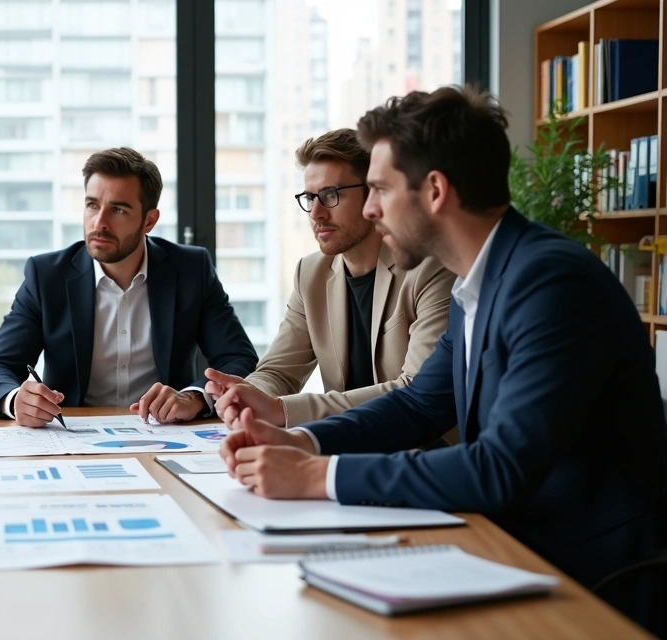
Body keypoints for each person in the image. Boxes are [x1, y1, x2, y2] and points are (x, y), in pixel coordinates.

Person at [218, 86, 666, 633]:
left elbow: (499, 468)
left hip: (590, 575)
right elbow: (418, 405)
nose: (372, 208)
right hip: (513, 545)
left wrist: (316, 476)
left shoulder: (550, 283)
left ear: (434, 190)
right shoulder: (481, 281)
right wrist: (302, 441)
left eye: (379, 188)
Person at [0, 147, 257, 426]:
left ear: (149, 221)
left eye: (118, 210)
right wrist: (15, 400)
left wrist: (194, 397)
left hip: (164, 436)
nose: (100, 223)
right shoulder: (47, 275)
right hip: (71, 436)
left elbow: (238, 359)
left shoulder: (190, 270)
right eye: (92, 205)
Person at [206, 128, 453, 431]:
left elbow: (414, 391)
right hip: (343, 448)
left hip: (425, 454)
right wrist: (245, 395)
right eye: (310, 197)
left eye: (331, 195)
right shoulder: (311, 273)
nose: (316, 213)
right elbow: (278, 372)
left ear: (373, 194)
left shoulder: (429, 269)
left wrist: (281, 410)